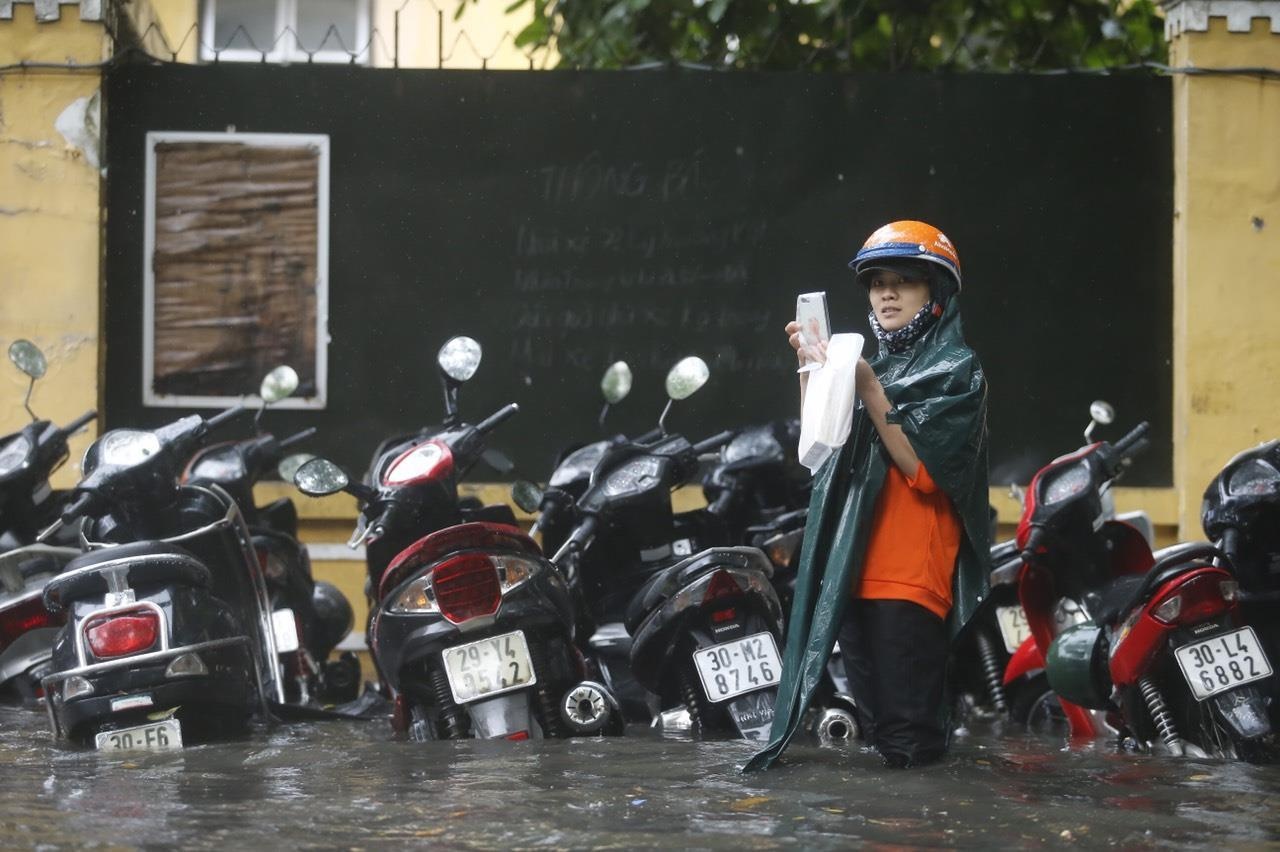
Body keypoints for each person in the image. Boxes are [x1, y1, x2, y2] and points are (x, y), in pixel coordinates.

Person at [745, 220, 990, 771]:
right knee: (879, 735)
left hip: (909, 580)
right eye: (878, 282)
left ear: (937, 294)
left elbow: (926, 470)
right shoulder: (865, 364)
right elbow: (821, 446)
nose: (886, 292)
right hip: (850, 575)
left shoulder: (958, 369)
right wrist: (812, 369)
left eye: (904, 281)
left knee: (909, 738)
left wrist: (868, 388)